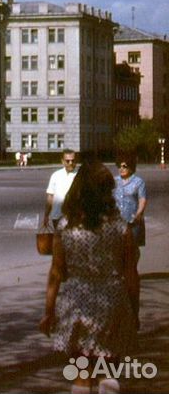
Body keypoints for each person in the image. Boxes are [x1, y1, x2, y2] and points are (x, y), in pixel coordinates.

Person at [39, 160, 139, 394]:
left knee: (81, 374)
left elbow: (56, 273)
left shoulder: (65, 226)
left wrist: (49, 311)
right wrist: (134, 310)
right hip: (111, 304)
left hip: (76, 304)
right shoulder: (119, 227)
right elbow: (131, 274)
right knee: (108, 372)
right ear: (107, 192)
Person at [113, 155, 147, 254]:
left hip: (133, 220)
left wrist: (139, 213)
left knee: (133, 249)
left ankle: (132, 269)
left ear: (131, 167)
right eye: (119, 166)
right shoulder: (114, 181)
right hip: (117, 221)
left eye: (124, 166)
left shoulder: (138, 182)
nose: (121, 169)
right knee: (118, 249)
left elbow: (142, 199)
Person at [42, 149, 78, 230]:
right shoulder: (56, 176)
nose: (71, 163)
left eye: (73, 160)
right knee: (59, 241)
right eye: (67, 161)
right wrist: (46, 215)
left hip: (74, 217)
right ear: (62, 161)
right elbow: (50, 197)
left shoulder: (80, 175)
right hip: (58, 216)